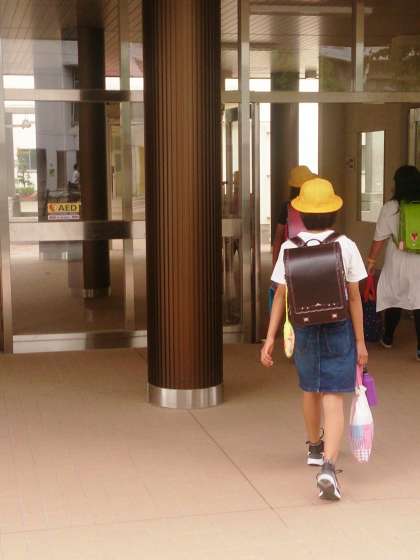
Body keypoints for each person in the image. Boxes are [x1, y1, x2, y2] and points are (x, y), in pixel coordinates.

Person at [261, 178, 368, 501]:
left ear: (301, 214)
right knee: (333, 394)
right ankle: (329, 467)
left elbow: (280, 296)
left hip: (304, 327)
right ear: (334, 212)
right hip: (338, 327)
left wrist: (270, 338)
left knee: (310, 387)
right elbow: (354, 298)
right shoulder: (346, 245)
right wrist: (361, 342)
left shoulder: (290, 248)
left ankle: (314, 448)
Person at [366, 165, 420, 361]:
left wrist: (371, 261)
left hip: (397, 259)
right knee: (419, 300)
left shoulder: (390, 207)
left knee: (395, 298)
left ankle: (388, 337)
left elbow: (378, 240)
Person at [272, 165, 317, 265]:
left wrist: (275, 263)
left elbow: (278, 237)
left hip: (291, 258)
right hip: (314, 257)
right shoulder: (316, 206)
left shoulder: (287, 207)